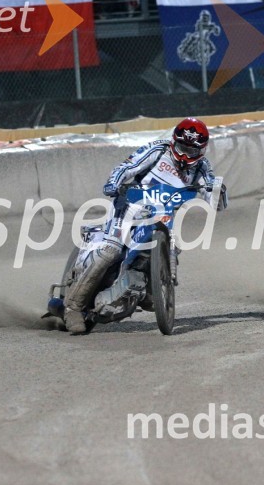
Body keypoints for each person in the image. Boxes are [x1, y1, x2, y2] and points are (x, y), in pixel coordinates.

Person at [61, 117, 228, 333]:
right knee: (110, 251)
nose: (186, 155)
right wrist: (113, 183)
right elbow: (127, 167)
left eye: (192, 151)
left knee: (173, 247)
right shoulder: (157, 151)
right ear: (173, 142)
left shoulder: (202, 167)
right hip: (129, 207)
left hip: (163, 214)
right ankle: (73, 308)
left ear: (202, 150)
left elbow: (214, 202)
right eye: (182, 148)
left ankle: (153, 287)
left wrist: (218, 190)